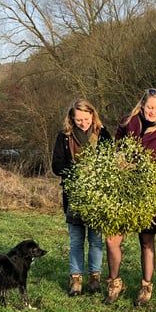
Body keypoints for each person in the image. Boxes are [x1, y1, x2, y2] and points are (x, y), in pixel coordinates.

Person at [105, 88, 156, 306]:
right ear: (142, 105)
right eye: (149, 107)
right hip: (123, 190)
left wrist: (139, 167)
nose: (152, 111)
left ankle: (146, 286)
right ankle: (115, 282)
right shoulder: (128, 122)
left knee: (146, 241)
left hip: (149, 193)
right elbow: (115, 150)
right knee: (112, 239)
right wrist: (120, 162)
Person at [52, 99, 111, 296]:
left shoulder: (103, 134)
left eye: (86, 119)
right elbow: (56, 165)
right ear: (71, 118)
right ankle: (76, 280)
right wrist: (76, 171)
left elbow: (111, 162)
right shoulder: (64, 137)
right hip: (73, 197)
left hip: (97, 197)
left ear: (93, 115)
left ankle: (95, 278)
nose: (83, 123)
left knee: (95, 241)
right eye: (78, 120)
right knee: (76, 241)